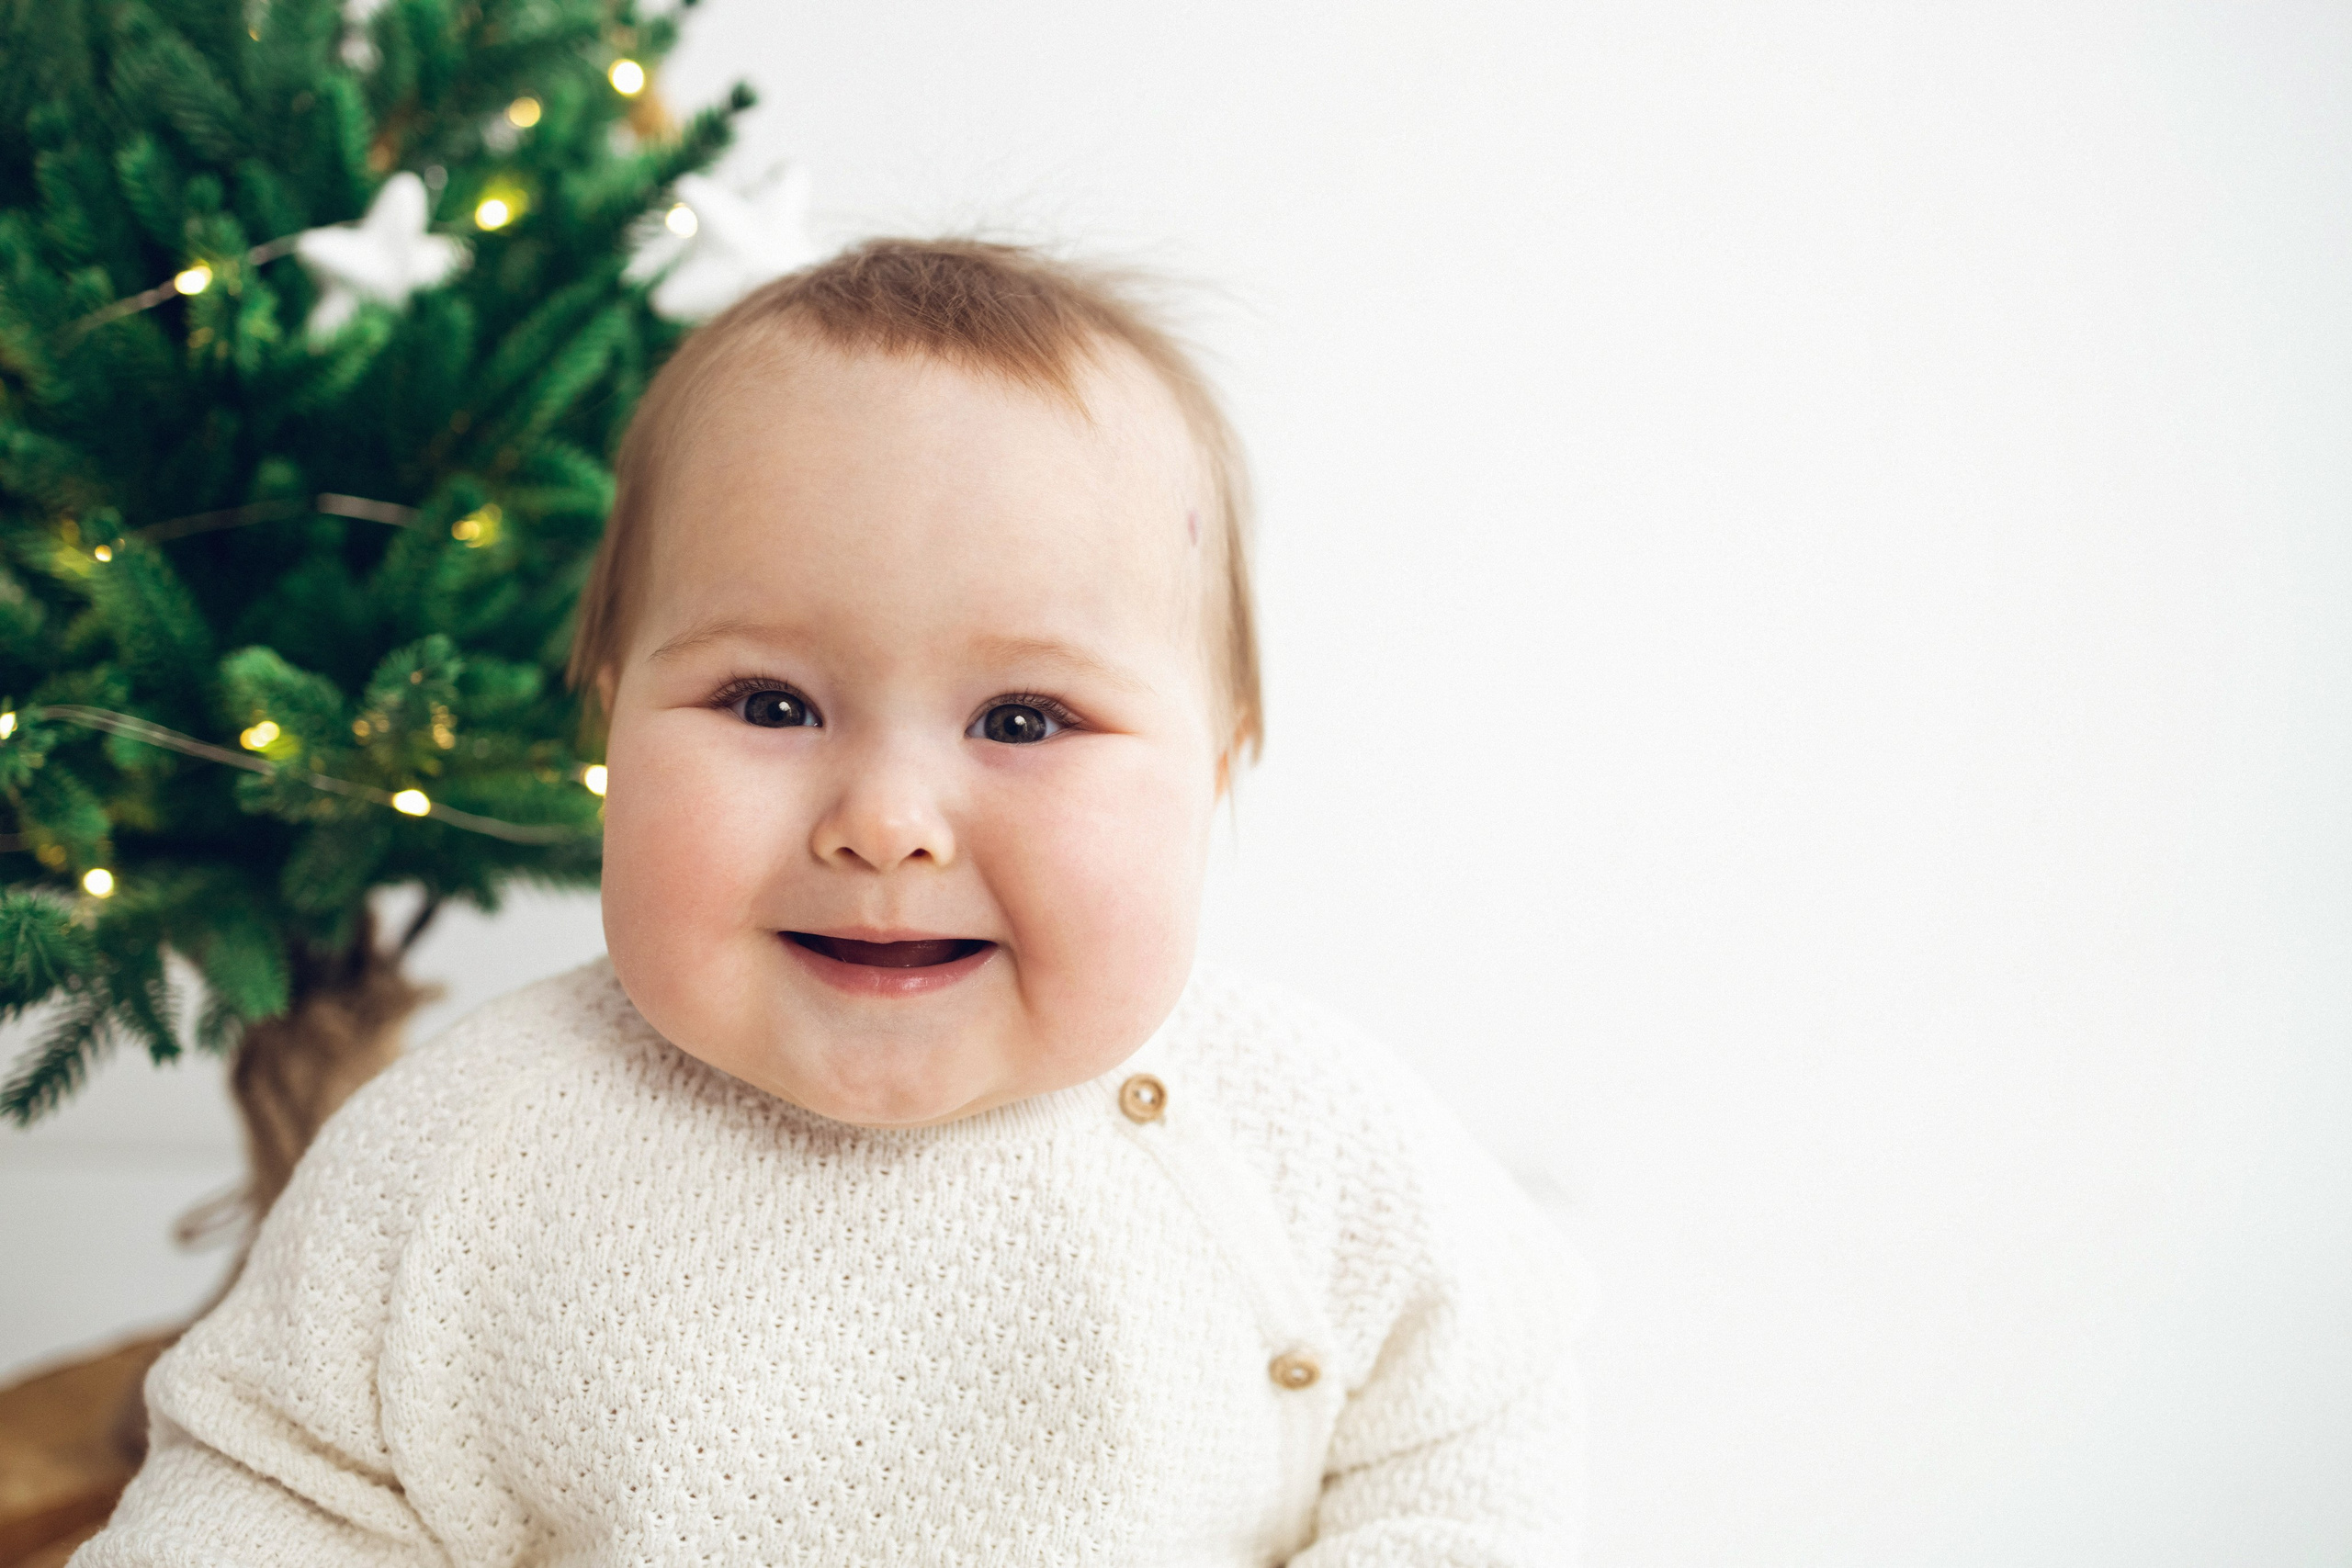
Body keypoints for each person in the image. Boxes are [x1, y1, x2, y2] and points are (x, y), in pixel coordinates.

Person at [75, 239, 1585, 1565]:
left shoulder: (1314, 1142)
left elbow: (1467, 1472)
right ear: (610, 724)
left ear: (1216, 763)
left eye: (1022, 721)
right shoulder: (458, 1157)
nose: (884, 825)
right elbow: (265, 1501)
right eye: (771, 702)